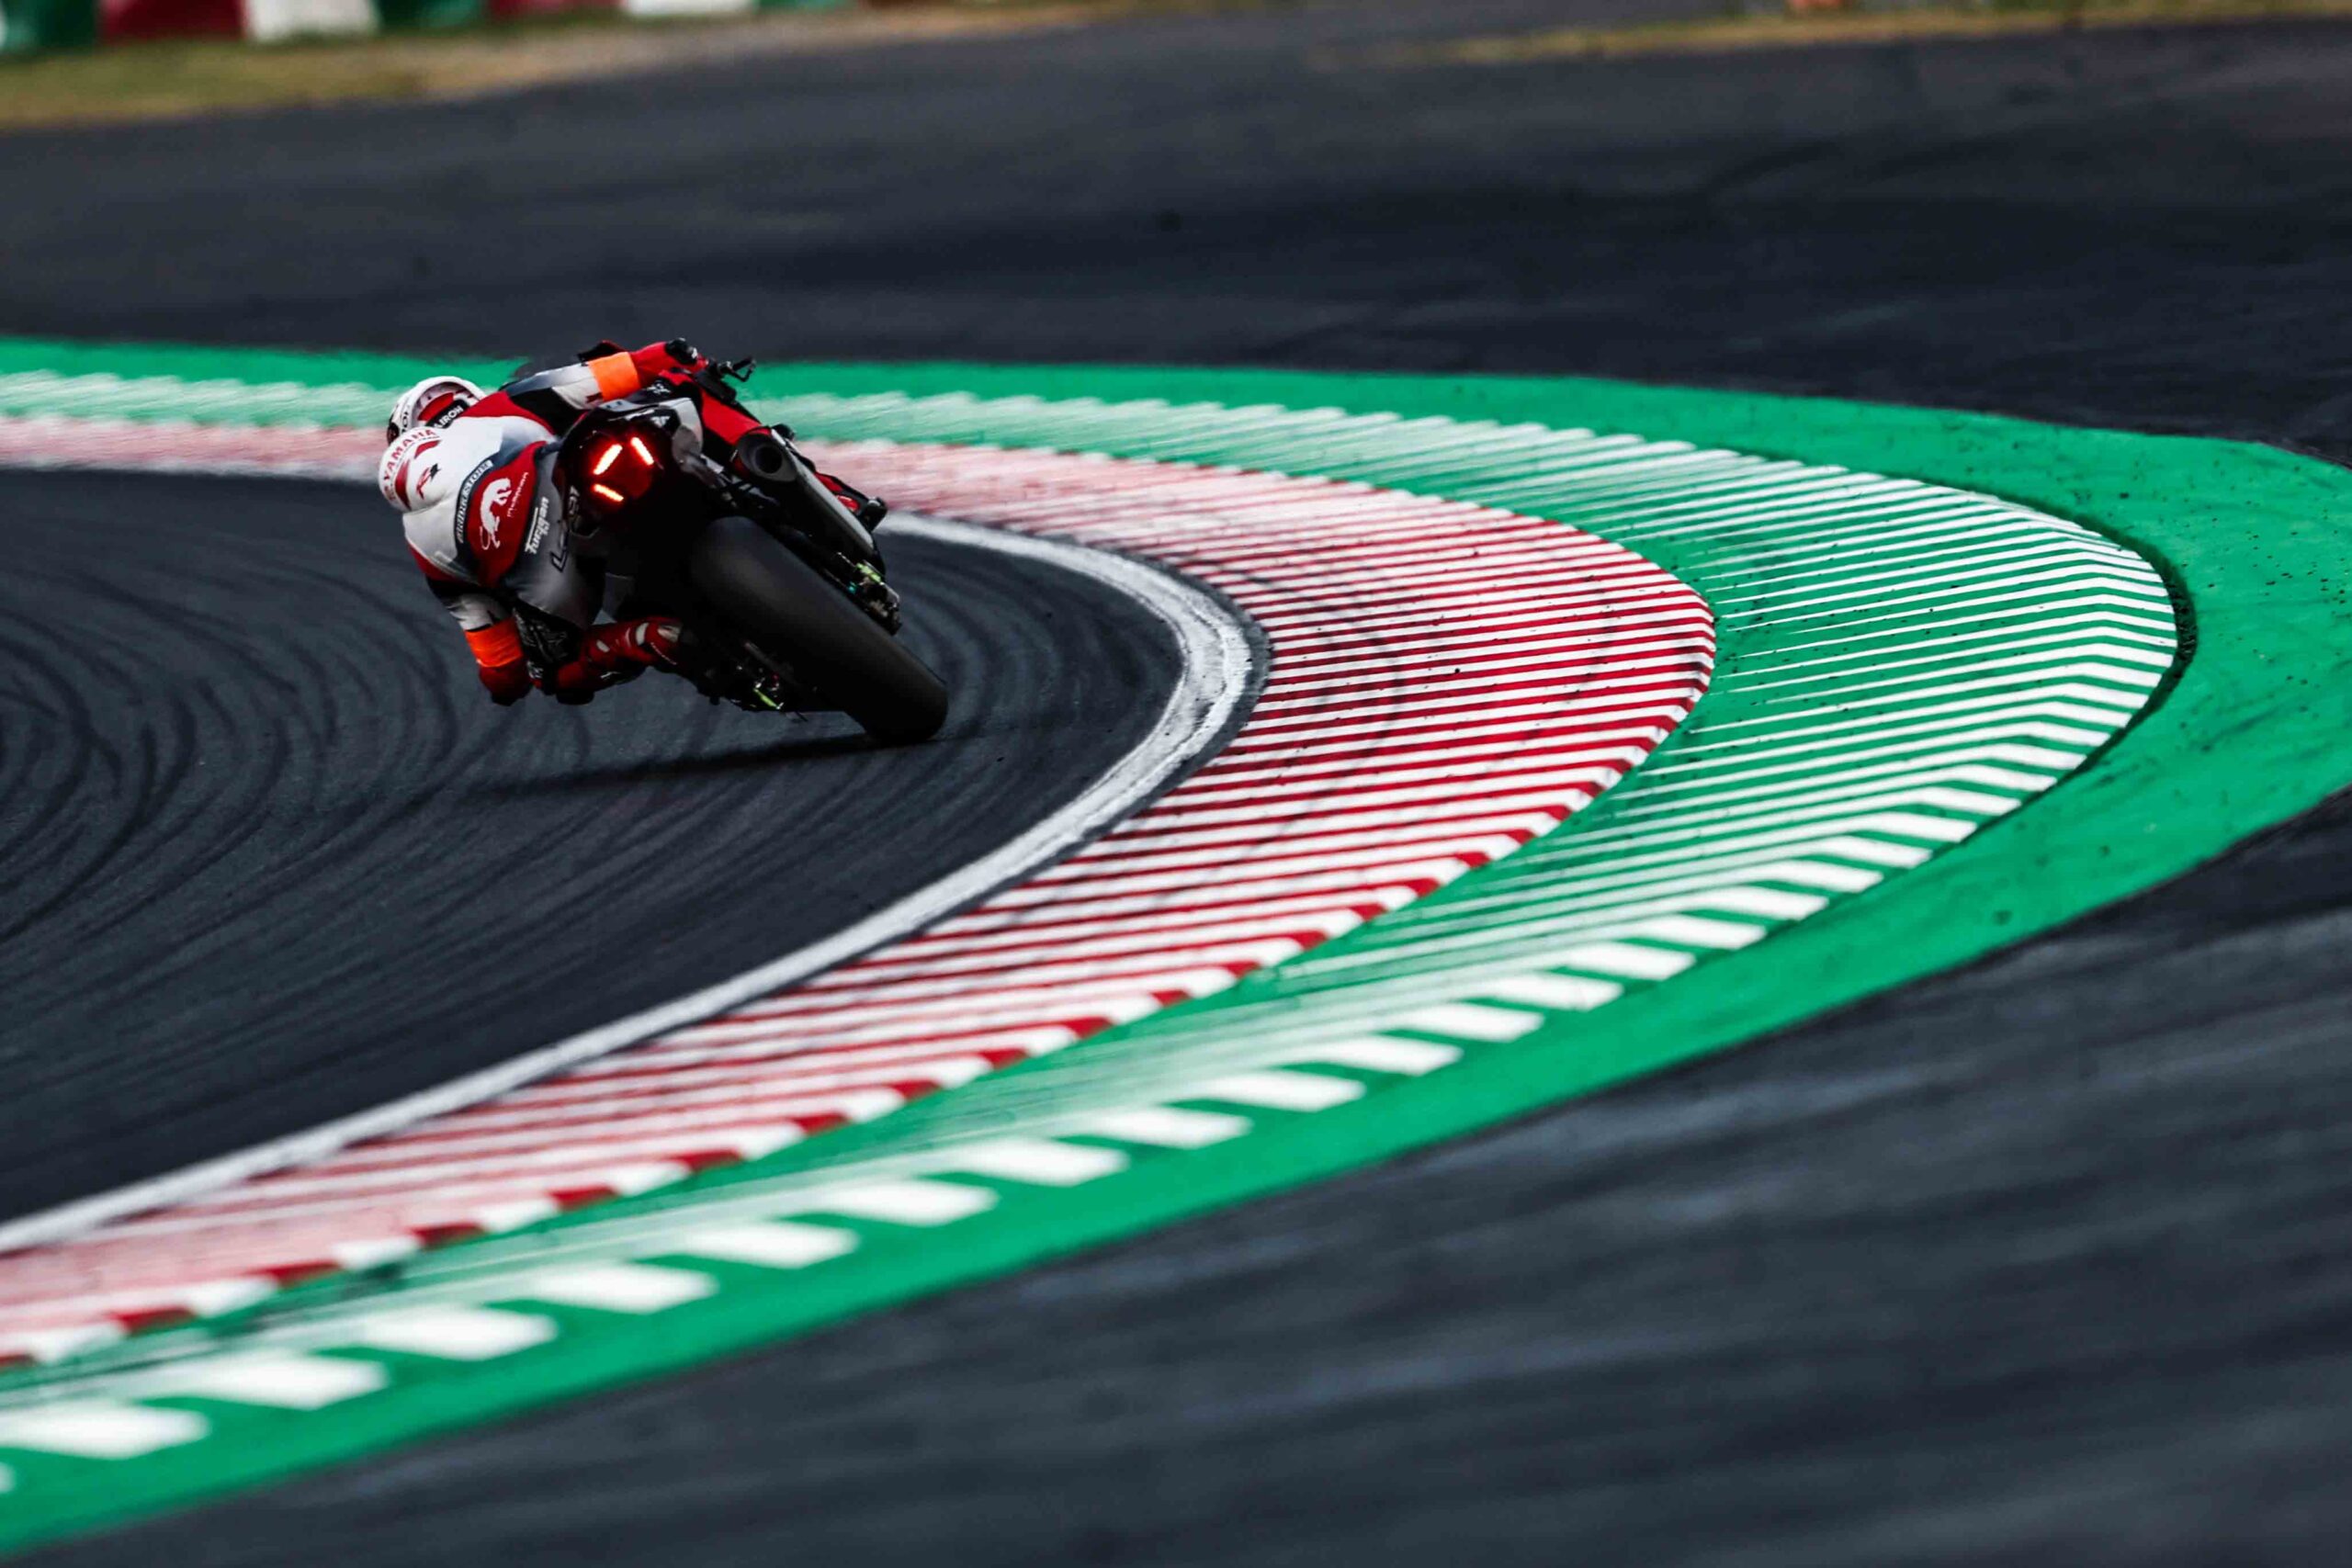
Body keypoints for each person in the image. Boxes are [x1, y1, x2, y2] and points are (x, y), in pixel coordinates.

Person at [379, 338, 879, 707]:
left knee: (553, 672)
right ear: (464, 401)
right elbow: (628, 369)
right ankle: (827, 495)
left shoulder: (424, 547)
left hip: (555, 570)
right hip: (579, 492)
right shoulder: (502, 404)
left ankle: (652, 639)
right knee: (687, 387)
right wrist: (683, 359)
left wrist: (514, 663)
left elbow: (503, 672)